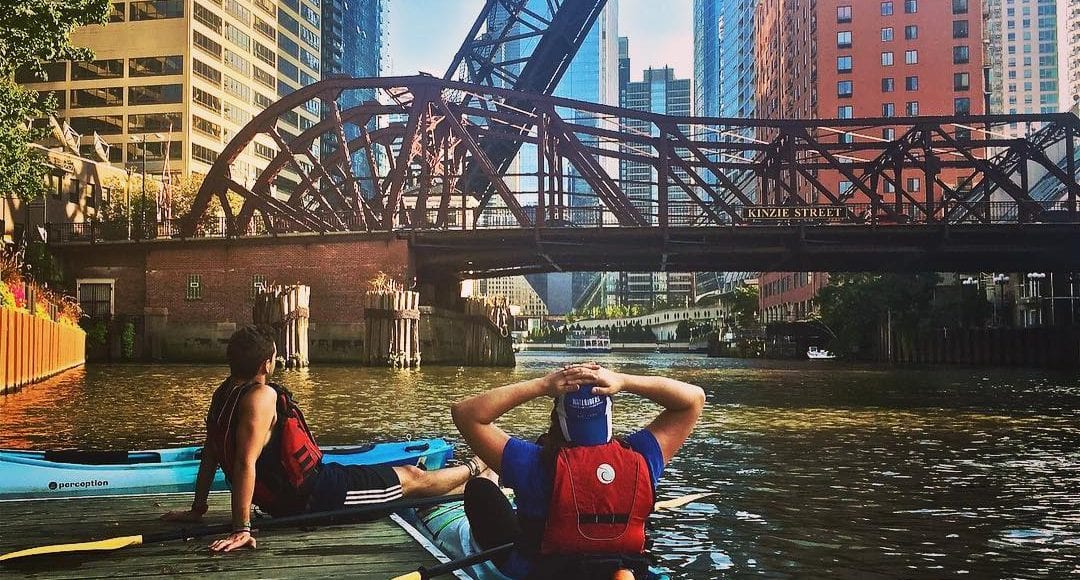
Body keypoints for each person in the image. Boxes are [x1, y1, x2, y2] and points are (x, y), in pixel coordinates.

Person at [162, 325, 482, 552]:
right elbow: (245, 463)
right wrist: (241, 529)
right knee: (411, 478)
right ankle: (478, 466)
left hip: (291, 497)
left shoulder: (223, 394)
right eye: (274, 358)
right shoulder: (261, 397)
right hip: (318, 497)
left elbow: (210, 454)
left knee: (406, 487)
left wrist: (198, 508)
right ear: (265, 364)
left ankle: (479, 483)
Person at [451, 363, 705, 579]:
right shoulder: (643, 456)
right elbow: (694, 399)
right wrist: (623, 380)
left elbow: (465, 413)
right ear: (607, 415)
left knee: (480, 488)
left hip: (542, 571)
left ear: (558, 418)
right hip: (622, 568)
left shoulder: (532, 462)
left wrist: (542, 385)